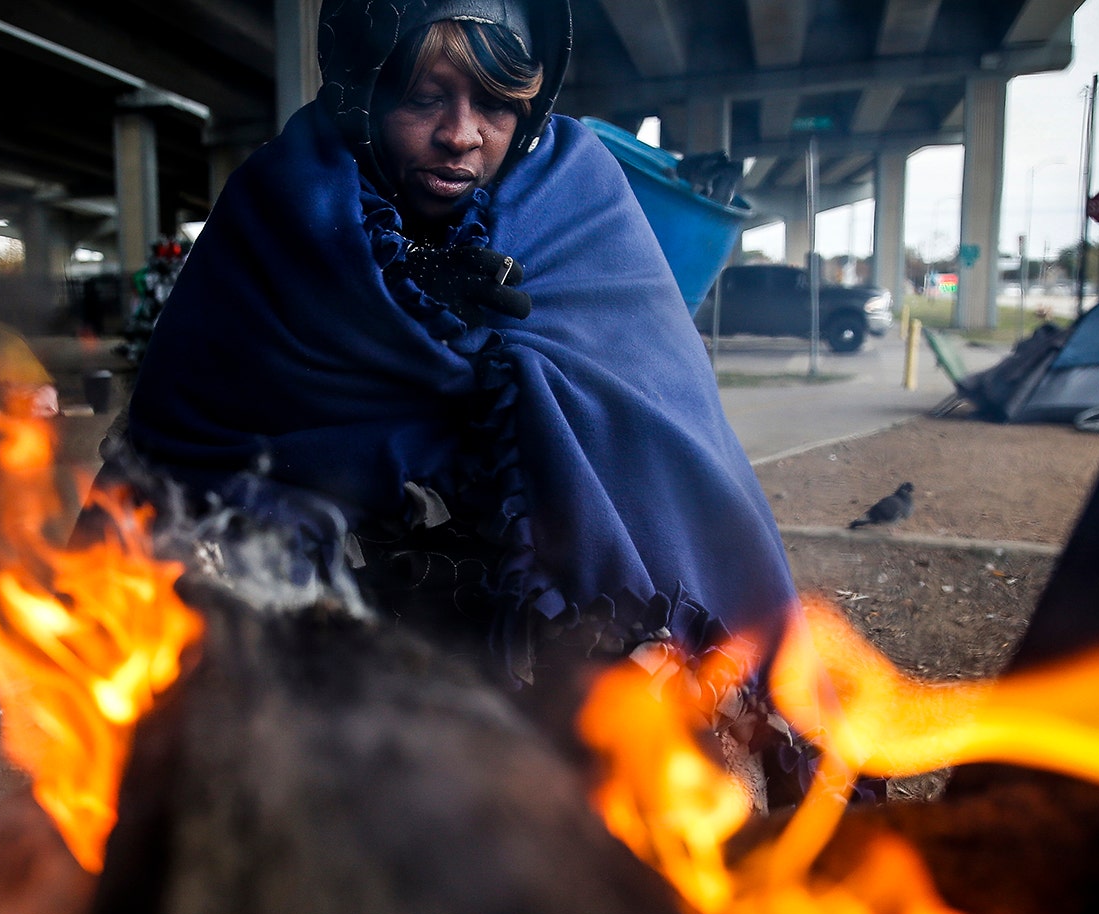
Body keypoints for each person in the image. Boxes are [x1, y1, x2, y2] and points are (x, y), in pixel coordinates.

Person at [90, 0, 821, 805]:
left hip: (534, 616)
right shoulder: (280, 205)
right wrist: (416, 301)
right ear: (364, 94)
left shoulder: (577, 192)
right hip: (334, 625)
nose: (462, 134)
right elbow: (184, 437)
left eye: (497, 104)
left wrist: (485, 347)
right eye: (422, 98)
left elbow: (655, 424)